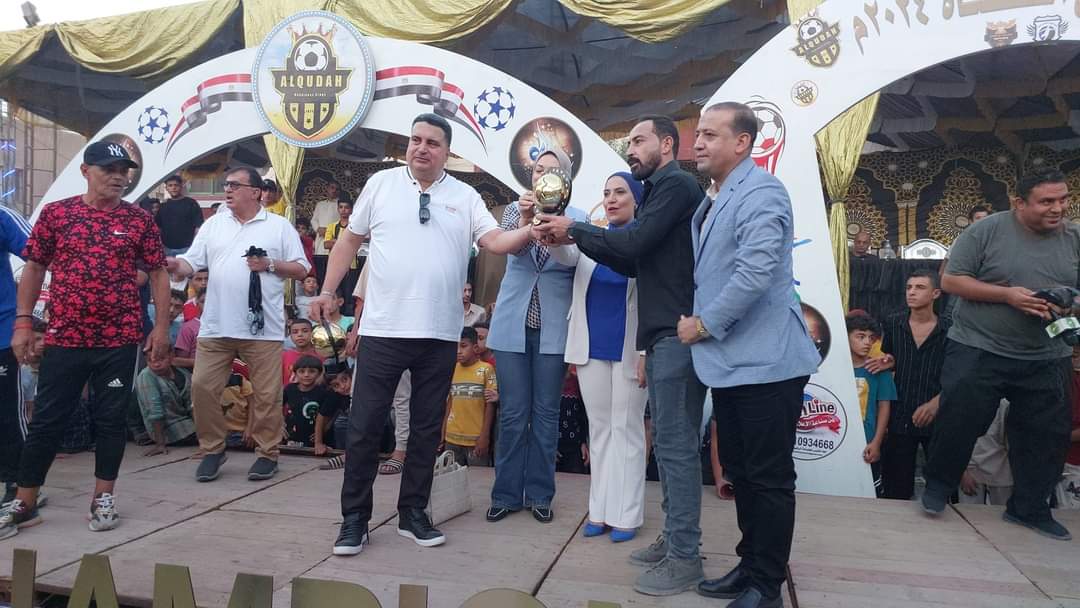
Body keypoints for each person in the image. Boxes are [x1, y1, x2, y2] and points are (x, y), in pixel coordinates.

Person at [309, 112, 534, 556]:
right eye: (415, 139)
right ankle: (355, 520)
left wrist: (532, 227)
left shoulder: (465, 195)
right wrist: (328, 290)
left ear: (447, 151)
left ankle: (413, 513)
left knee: (427, 429)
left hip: (439, 334)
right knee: (365, 426)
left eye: (432, 142)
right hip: (383, 329)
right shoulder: (381, 184)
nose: (422, 148)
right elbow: (349, 242)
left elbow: (495, 242)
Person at [534, 115, 707, 595]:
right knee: (620, 434)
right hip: (625, 342)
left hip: (660, 339)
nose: (630, 148)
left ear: (667, 144)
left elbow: (633, 248)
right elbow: (620, 256)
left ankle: (668, 542)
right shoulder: (627, 222)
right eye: (606, 193)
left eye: (638, 140)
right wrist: (561, 230)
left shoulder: (675, 188)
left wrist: (575, 228)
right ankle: (653, 533)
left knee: (658, 442)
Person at [678, 103, 820, 608]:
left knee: (769, 477)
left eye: (710, 135)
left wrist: (704, 324)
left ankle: (767, 585)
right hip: (733, 364)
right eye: (698, 134)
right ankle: (750, 565)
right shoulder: (717, 196)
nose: (698, 143)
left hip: (767, 362)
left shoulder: (762, 192)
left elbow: (754, 274)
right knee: (741, 471)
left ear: (742, 143)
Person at [1, 140, 171, 539]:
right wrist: (23, 322)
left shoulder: (139, 220)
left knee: (110, 420)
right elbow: (34, 267)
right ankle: (25, 502)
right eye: (109, 169)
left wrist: (161, 327)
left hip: (120, 338)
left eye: (123, 171)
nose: (118, 177)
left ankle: (102, 498)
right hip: (65, 336)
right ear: (85, 171)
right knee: (47, 419)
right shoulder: (58, 214)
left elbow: (158, 273)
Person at [921, 167, 1078, 542]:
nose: (1057, 208)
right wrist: (1008, 296)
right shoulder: (985, 231)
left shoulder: (1074, 237)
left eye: (1063, 199)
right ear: (1019, 202)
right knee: (960, 418)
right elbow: (951, 280)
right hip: (980, 345)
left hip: (1046, 352)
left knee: (1046, 434)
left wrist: (1069, 302)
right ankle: (939, 486)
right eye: (1046, 201)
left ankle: (1029, 508)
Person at [167, 166, 310, 483]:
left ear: (255, 192)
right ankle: (213, 449)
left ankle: (267, 454)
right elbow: (191, 262)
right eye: (225, 185)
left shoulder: (278, 226)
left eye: (234, 185)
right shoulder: (214, 224)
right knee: (202, 387)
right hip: (216, 325)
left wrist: (269, 264)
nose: (227, 190)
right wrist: (175, 264)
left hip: (262, 328)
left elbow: (302, 269)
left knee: (267, 395)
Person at [486, 145, 583, 525]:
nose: (544, 174)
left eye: (552, 169)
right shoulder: (515, 210)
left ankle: (541, 495)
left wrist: (556, 227)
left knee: (546, 414)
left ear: (566, 177)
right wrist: (528, 219)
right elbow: (510, 251)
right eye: (539, 169)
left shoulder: (577, 218)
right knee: (512, 414)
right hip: (512, 323)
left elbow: (571, 263)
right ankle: (506, 495)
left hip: (554, 327)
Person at [549, 171, 648, 543]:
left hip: (631, 349)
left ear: (636, 199)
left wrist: (646, 351)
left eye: (620, 192)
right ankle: (600, 511)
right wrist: (549, 229)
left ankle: (627, 515)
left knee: (627, 429)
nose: (612, 199)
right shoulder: (591, 236)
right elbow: (565, 254)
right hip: (590, 348)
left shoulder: (645, 240)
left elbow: (656, 299)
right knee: (601, 429)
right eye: (607, 193)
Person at [876, 269, 950, 500]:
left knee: (943, 489)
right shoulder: (893, 323)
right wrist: (889, 362)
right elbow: (889, 359)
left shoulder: (950, 328)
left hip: (939, 416)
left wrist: (936, 403)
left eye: (919, 287)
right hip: (900, 417)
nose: (912, 292)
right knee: (896, 491)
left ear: (935, 293)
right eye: (909, 287)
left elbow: (960, 374)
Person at [0, 203, 31, 509]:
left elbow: (39, 256)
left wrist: (26, 318)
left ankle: (20, 485)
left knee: (7, 412)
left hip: (2, 333)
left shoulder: (3, 216)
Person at [847, 311, 896, 497]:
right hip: (838, 438)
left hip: (866, 442)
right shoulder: (834, 368)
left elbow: (884, 406)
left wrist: (876, 442)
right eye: (860, 336)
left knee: (868, 493)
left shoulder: (879, 370)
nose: (867, 342)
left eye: (870, 337)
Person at [442, 327, 498, 467]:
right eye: (456, 346)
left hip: (476, 439)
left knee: (477, 476)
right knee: (451, 476)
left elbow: (490, 404)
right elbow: (450, 401)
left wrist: (485, 436)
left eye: (463, 346)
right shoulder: (452, 368)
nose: (458, 351)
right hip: (452, 437)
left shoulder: (486, 369)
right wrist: (442, 431)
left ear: (475, 348)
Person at [134, 348, 195, 457]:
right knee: (220, 438)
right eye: (150, 360)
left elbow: (192, 404)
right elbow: (155, 412)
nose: (156, 364)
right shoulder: (146, 376)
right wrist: (160, 444)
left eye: (161, 359)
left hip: (188, 422)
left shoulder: (183, 373)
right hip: (168, 428)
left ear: (171, 356)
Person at [959, 401, 1013, 505]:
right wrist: (962, 471)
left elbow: (1011, 444)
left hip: (1001, 474)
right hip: (971, 471)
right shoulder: (963, 401)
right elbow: (955, 438)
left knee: (1001, 512)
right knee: (969, 512)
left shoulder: (1005, 404)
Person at [283, 355, 332, 448]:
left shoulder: (323, 393)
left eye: (312, 371)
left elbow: (328, 415)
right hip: (291, 436)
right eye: (301, 371)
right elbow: (277, 406)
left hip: (313, 438)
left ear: (319, 373)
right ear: (295, 373)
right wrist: (280, 425)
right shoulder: (289, 389)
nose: (306, 375)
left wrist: (322, 431)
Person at [157, 175, 204, 257]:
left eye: (176, 185)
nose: (173, 188)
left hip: (187, 248)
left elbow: (198, 226)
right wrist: (160, 245)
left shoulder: (191, 203)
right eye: (170, 185)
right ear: (166, 188)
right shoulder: (163, 206)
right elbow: (158, 227)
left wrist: (194, 245)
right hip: (167, 248)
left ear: (181, 186)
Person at [311, 181, 342, 285]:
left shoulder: (340, 206)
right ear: (327, 189)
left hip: (334, 240)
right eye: (332, 188)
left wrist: (330, 231)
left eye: (337, 189)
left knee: (333, 269)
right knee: (320, 268)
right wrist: (318, 229)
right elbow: (314, 220)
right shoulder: (320, 204)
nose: (334, 191)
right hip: (320, 240)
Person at [282, 318, 318, 385]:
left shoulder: (321, 355)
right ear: (290, 336)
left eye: (305, 331)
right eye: (295, 332)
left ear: (312, 333)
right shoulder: (284, 356)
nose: (300, 334)